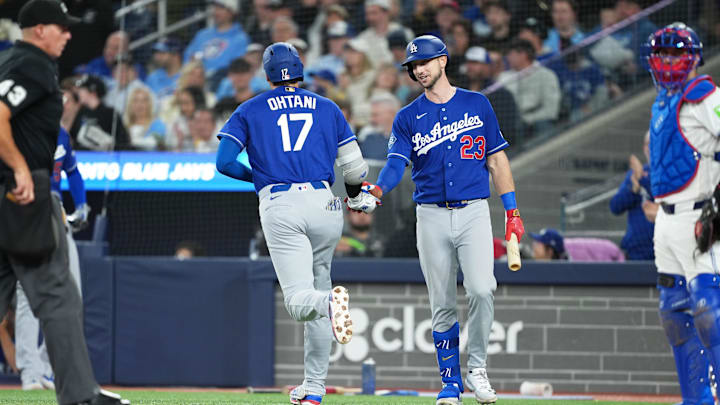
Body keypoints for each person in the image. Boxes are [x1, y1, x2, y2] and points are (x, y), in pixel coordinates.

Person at [215, 42, 377, 405]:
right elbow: (355, 168)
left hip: (282, 203)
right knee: (319, 287)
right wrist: (353, 196)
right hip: (325, 203)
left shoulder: (250, 108)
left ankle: (330, 304)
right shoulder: (328, 106)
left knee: (301, 300)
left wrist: (258, 176)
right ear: (300, 69)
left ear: (267, 74)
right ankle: (314, 388)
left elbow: (224, 162)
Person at [366, 35, 525, 405]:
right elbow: (396, 164)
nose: (418, 70)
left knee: (483, 288)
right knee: (441, 302)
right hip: (431, 215)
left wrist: (513, 212)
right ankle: (450, 382)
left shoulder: (477, 103)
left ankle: (478, 368)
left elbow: (497, 160)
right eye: (412, 66)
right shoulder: (407, 116)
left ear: (443, 61)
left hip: (473, 211)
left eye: (424, 62)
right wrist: (378, 190)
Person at [0, 1, 129, 404]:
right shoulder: (31, 64)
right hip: (24, 195)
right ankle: (80, 396)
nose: (69, 34)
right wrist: (21, 169)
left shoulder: (10, 62)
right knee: (59, 294)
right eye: (62, 27)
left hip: (10, 194)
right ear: (40, 29)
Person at [645, 23, 720, 404]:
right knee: (674, 316)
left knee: (709, 311)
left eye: (676, 52)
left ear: (693, 57)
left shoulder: (704, 95)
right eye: (662, 53)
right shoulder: (662, 101)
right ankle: (697, 400)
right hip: (666, 220)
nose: (669, 60)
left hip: (700, 218)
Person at [16, 126, 88, 391]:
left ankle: (47, 369)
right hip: (25, 212)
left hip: (56, 212)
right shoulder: (18, 129)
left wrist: (82, 205)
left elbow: (73, 171)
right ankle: (30, 373)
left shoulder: (61, 134)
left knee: (74, 293)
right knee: (27, 294)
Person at [609, 132, 656, 260]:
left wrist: (642, 179)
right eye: (649, 144)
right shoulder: (635, 174)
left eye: (655, 142)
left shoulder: (672, 173)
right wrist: (633, 188)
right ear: (644, 148)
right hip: (636, 252)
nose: (651, 148)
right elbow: (615, 207)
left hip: (665, 251)